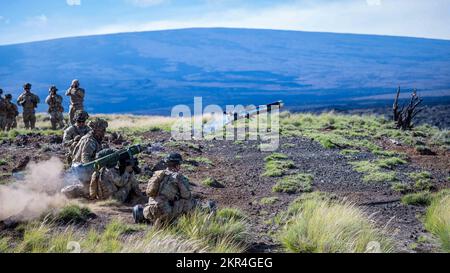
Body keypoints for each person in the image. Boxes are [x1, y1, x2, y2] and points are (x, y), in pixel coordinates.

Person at [133, 153, 194, 225]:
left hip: (151, 210)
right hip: (166, 212)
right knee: (191, 202)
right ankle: (188, 224)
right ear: (177, 165)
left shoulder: (157, 174)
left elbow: (149, 192)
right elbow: (186, 195)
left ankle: (146, 217)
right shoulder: (178, 177)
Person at [61, 118, 108, 199]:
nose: (104, 132)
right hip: (81, 170)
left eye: (104, 130)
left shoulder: (95, 139)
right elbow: (85, 160)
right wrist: (98, 168)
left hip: (82, 168)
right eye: (102, 130)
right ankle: (70, 191)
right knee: (93, 186)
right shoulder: (90, 141)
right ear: (96, 130)